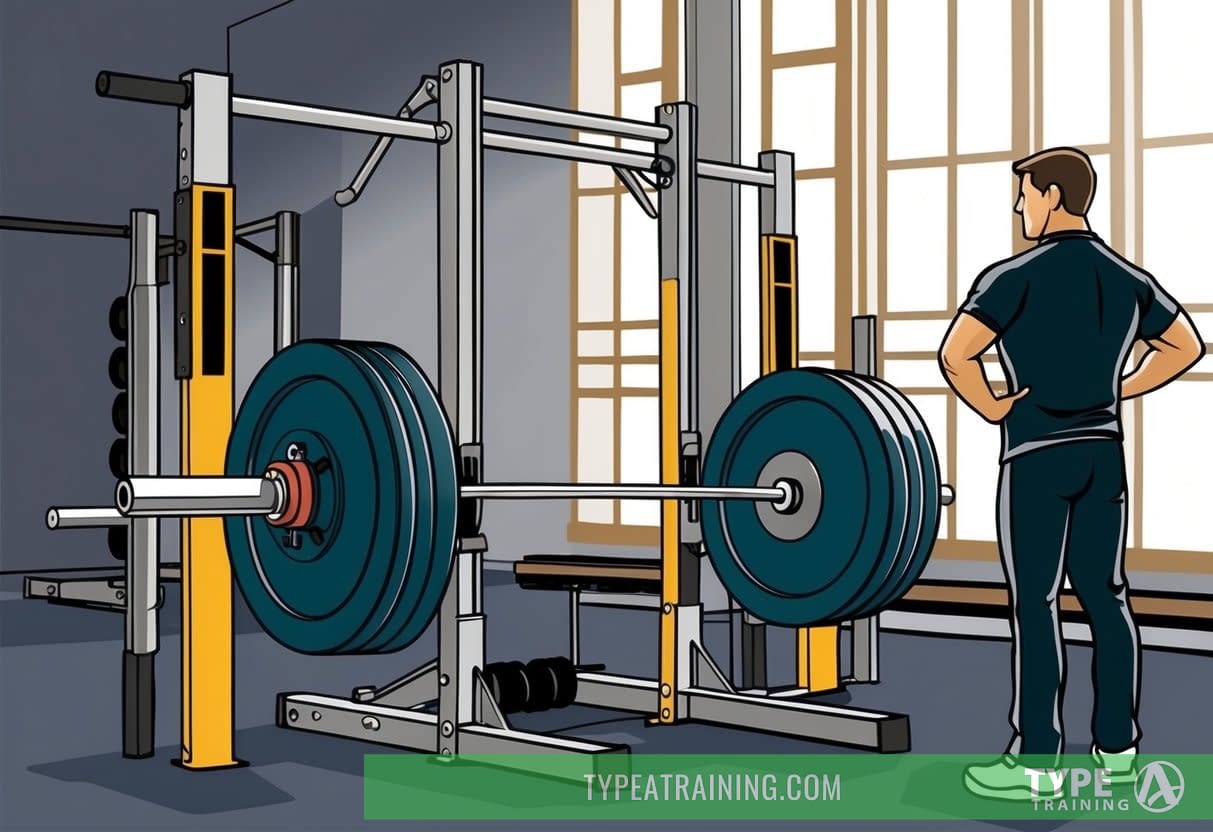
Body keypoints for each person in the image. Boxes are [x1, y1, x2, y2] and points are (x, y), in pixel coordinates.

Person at [937, 146, 1205, 800]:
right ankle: (1118, 752)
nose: (1017, 205)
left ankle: (1036, 767)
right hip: (1100, 454)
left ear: (1053, 195)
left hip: (1035, 456)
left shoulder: (1012, 275)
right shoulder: (1124, 277)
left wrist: (994, 407)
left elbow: (954, 353)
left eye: (1024, 194)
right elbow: (1186, 345)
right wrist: (1123, 388)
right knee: (1106, 596)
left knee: (1036, 603)